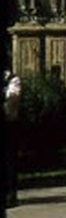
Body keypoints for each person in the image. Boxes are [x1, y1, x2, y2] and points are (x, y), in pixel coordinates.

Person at [5, 70, 22, 207]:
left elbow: (13, 101)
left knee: (9, 159)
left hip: (8, 124)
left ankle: (10, 194)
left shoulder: (13, 79)